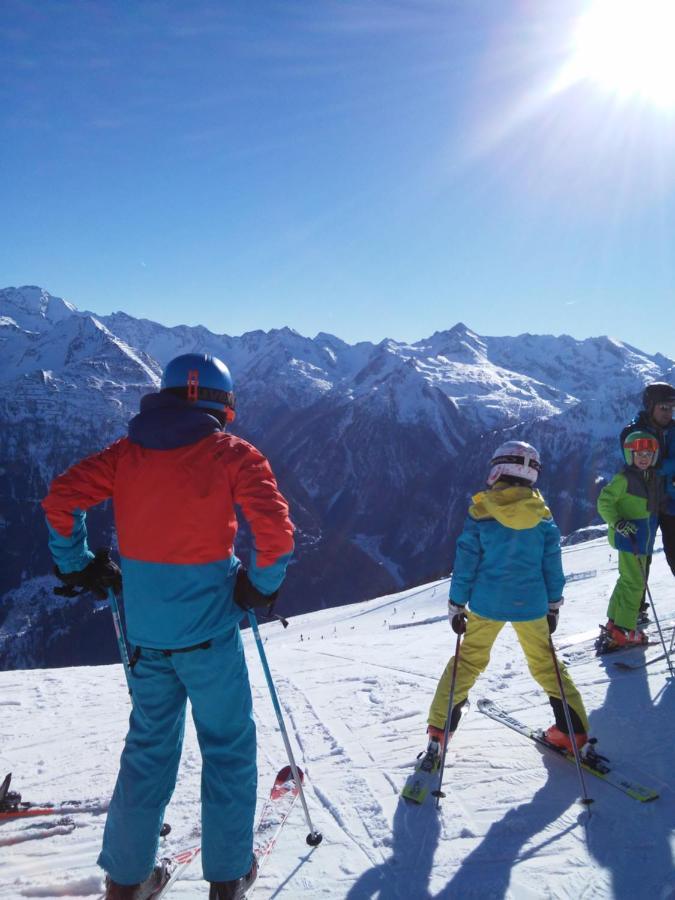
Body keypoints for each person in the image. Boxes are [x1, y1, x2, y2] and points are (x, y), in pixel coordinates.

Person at [42, 353, 294, 900]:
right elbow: (275, 531)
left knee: (148, 752)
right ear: (221, 406)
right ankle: (228, 878)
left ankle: (126, 882)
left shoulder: (125, 455)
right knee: (227, 748)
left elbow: (61, 499)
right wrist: (262, 585)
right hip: (210, 640)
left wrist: (78, 562)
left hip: (146, 638)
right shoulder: (232, 455)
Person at [426, 440, 589, 757]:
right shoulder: (543, 518)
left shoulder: (480, 513)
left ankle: (439, 731)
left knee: (468, 663)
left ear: (498, 471)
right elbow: (552, 567)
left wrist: (457, 605)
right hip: (532, 605)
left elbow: (466, 565)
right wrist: (553, 605)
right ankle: (573, 734)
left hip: (487, 604)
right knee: (547, 665)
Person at [597, 430, 665, 647]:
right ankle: (624, 631)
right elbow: (604, 502)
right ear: (630, 456)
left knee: (627, 580)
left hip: (641, 539)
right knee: (635, 583)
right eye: (639, 454)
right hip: (630, 539)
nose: (643, 459)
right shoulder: (624, 479)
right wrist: (617, 522)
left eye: (648, 455)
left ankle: (614, 622)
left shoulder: (650, 477)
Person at [620, 382, 675, 579]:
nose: (668, 413)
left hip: (670, 504)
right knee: (641, 561)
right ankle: (638, 606)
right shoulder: (633, 431)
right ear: (650, 406)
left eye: (672, 408)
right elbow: (646, 465)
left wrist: (661, 465)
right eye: (663, 407)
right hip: (643, 505)